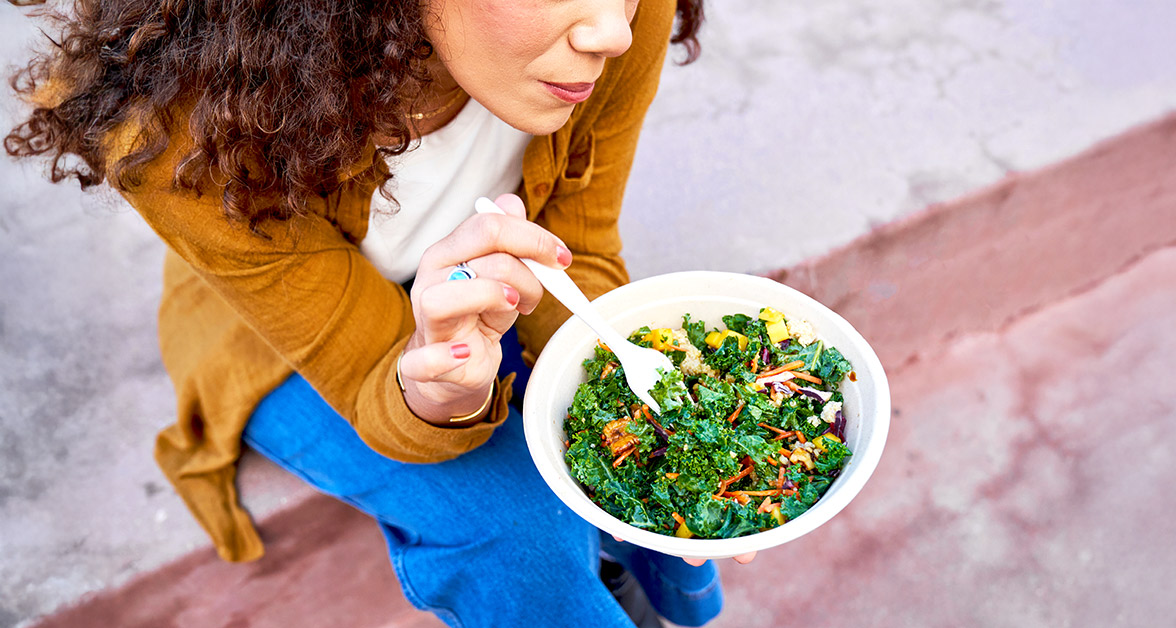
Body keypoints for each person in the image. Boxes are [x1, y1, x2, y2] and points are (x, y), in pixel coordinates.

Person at [5, 0, 753, 626]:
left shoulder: (627, 14)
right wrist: (440, 392)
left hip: (497, 288)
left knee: (662, 431)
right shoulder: (176, 136)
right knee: (516, 528)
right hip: (282, 336)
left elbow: (579, 247)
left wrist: (652, 413)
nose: (612, 33)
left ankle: (663, 603)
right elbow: (371, 374)